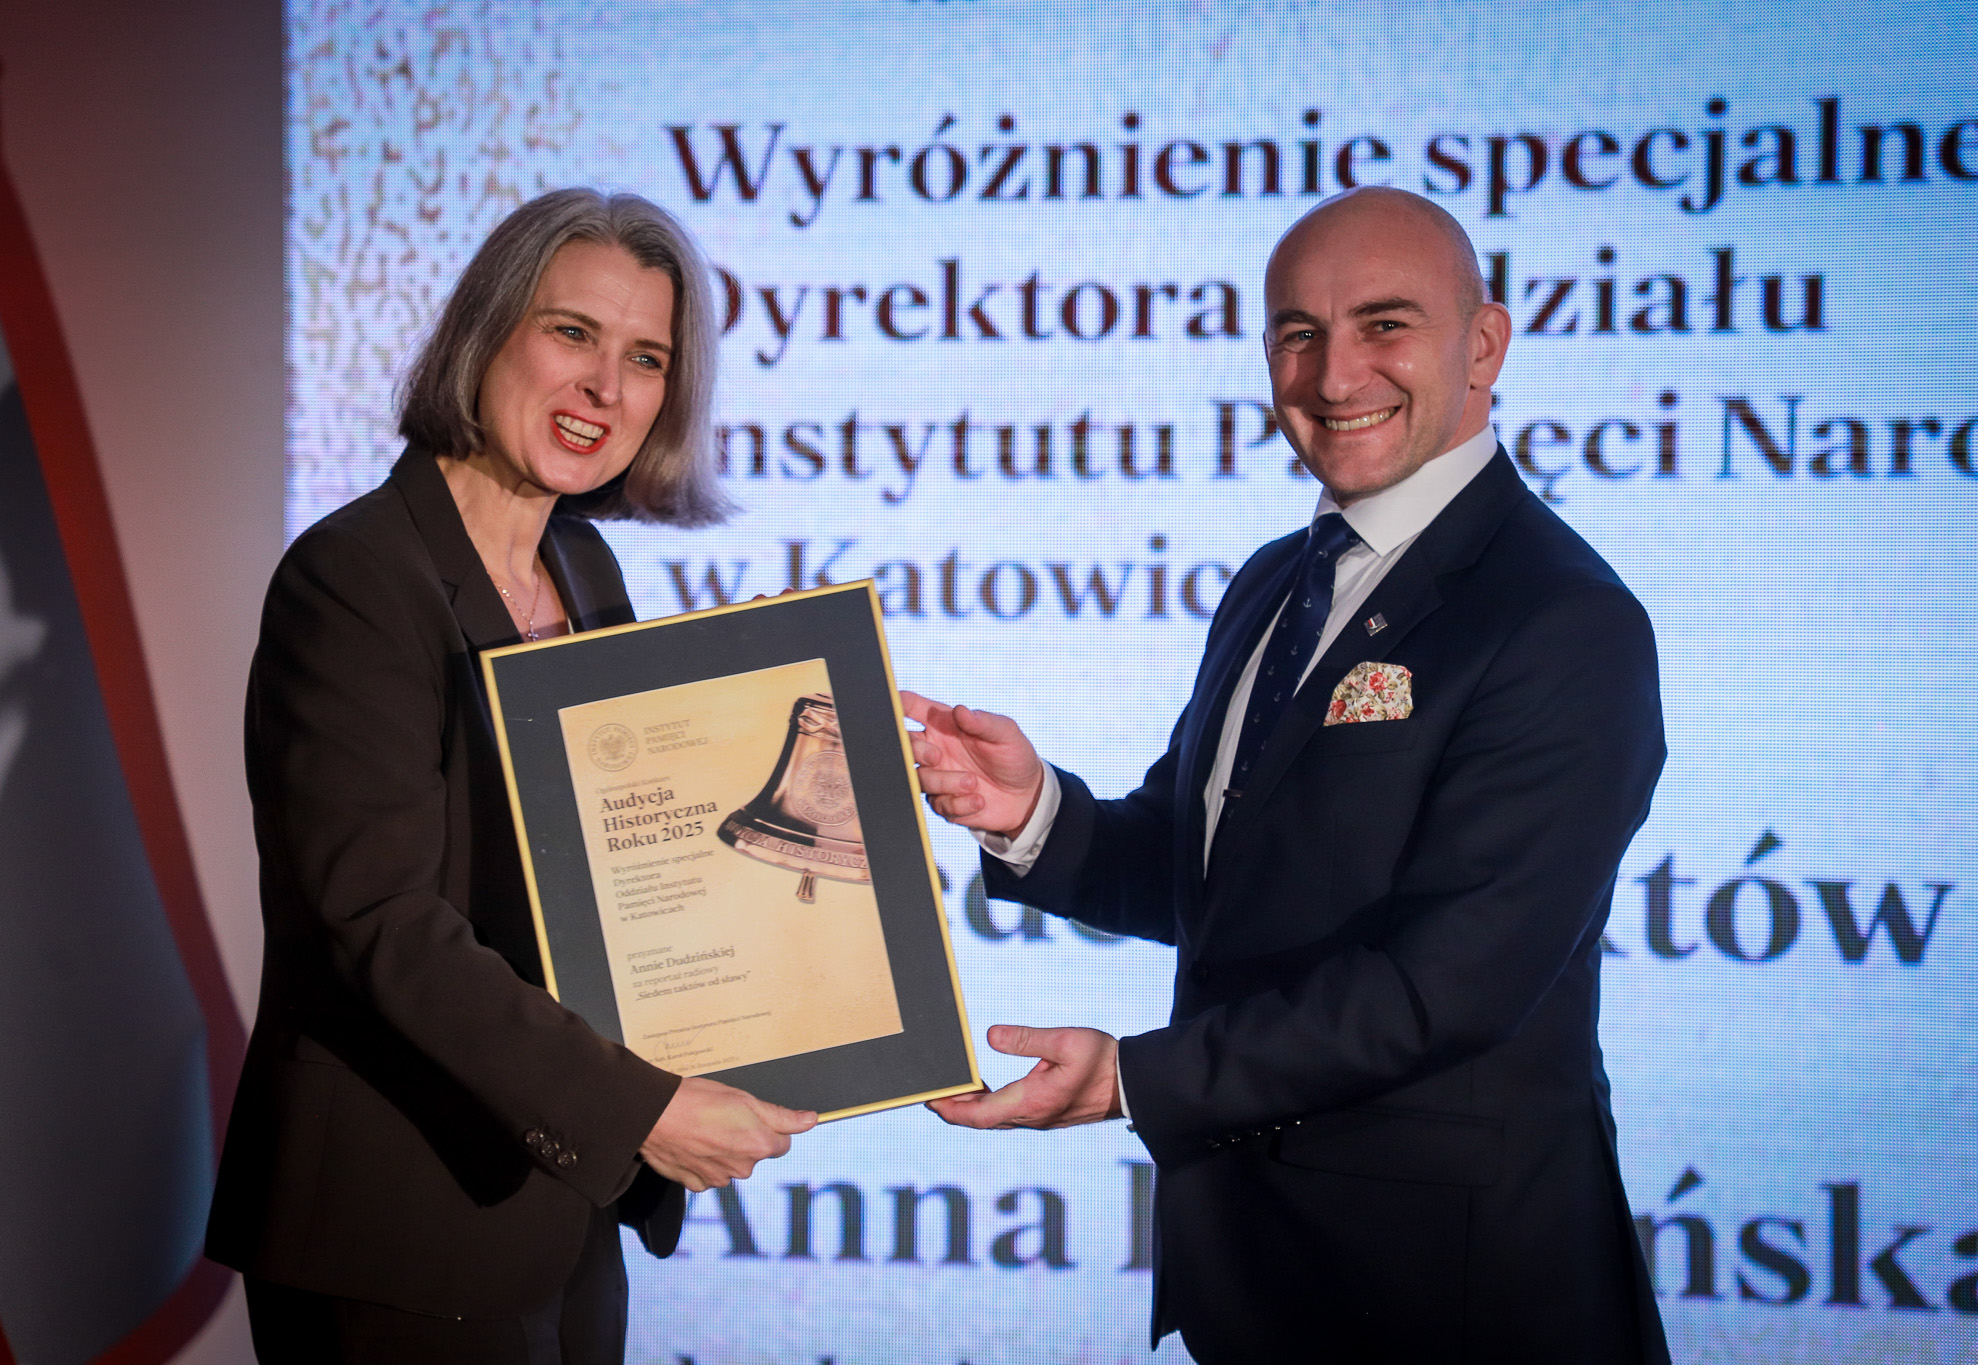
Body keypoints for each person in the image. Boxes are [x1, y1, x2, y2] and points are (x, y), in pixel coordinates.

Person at [903, 187, 1670, 1363]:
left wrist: (1130, 1079)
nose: (1332, 373)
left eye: (1384, 325)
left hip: (1454, 1297)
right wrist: (1032, 813)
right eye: (1296, 334)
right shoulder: (1275, 579)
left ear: (1483, 345)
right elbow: (1220, 879)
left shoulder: (1561, 619)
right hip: (1259, 1278)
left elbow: (1449, 986)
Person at [205, 189, 816, 1364]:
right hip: (397, 1218)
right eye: (572, 333)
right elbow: (381, 921)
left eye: (646, 359)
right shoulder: (355, 580)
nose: (605, 388)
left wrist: (758, 722)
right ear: (487, 333)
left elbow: (607, 869)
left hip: (557, 1202)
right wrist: (636, 1108)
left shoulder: (582, 570)